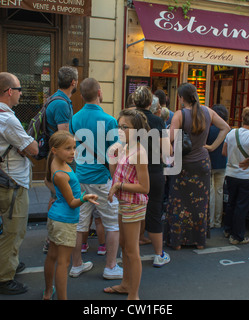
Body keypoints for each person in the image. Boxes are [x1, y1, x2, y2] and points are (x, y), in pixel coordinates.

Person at [0, 72, 39, 295]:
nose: (20, 94)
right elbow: (34, 149)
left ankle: (11, 264)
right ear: (9, 91)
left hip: (5, 180)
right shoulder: (6, 118)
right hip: (12, 182)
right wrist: (26, 146)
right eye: (18, 90)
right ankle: (1, 279)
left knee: (13, 230)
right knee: (10, 231)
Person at [165, 83, 230, 250]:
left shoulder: (180, 115)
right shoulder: (208, 112)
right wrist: (213, 146)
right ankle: (198, 241)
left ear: (181, 98)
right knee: (199, 204)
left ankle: (178, 240)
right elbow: (226, 128)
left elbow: (169, 138)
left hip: (183, 163)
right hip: (202, 162)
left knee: (179, 202)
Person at [69, 78, 122, 279]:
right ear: (99, 92)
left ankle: (76, 265)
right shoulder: (109, 120)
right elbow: (113, 154)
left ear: (81, 96)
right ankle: (110, 267)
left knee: (80, 224)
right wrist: (115, 180)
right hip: (101, 177)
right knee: (112, 224)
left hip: (81, 176)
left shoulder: (74, 119)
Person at [43, 131, 99, 300]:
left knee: (52, 256)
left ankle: (47, 293)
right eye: (67, 148)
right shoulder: (61, 174)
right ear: (54, 150)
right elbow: (73, 202)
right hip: (65, 220)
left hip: (56, 217)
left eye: (74, 147)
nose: (72, 152)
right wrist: (85, 197)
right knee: (63, 262)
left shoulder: (54, 161)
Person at [105, 109, 150, 300]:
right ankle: (125, 285)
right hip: (124, 203)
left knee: (132, 250)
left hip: (134, 205)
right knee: (123, 245)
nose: (121, 130)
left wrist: (119, 186)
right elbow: (115, 174)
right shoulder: (124, 148)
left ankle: (134, 295)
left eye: (126, 127)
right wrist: (113, 158)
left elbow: (144, 187)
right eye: (119, 126)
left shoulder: (139, 152)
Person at [133, 86, 172, 267]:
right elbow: (167, 151)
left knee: (130, 212)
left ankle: (128, 252)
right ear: (150, 103)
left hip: (131, 171)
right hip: (154, 170)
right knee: (154, 212)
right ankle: (159, 254)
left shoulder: (125, 118)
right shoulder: (157, 121)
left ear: (134, 101)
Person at [43, 66, 78, 253]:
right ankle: (52, 237)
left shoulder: (54, 98)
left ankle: (51, 235)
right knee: (58, 194)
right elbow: (64, 135)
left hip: (55, 153)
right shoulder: (62, 104)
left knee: (55, 193)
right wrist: (72, 151)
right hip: (58, 155)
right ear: (73, 82)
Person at [223, 107, 249, 245]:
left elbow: (224, 152)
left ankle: (228, 229)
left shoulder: (232, 133)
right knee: (242, 206)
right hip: (247, 176)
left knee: (231, 203)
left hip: (231, 174)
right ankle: (237, 236)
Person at [208, 104, 228, 229]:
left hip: (210, 164)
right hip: (222, 164)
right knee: (219, 192)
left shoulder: (209, 130)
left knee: (210, 192)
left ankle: (209, 221)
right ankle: (217, 220)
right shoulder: (228, 130)